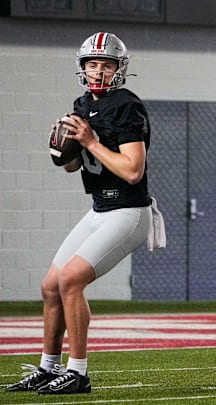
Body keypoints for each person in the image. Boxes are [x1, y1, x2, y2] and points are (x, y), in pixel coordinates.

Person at [6, 32, 154, 394]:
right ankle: (48, 367)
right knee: (50, 287)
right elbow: (74, 168)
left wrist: (89, 141)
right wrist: (62, 150)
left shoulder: (126, 105)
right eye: (92, 64)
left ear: (119, 69)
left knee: (70, 280)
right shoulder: (82, 102)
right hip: (100, 209)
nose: (99, 71)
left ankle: (78, 371)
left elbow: (133, 169)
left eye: (106, 64)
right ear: (82, 67)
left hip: (128, 212)